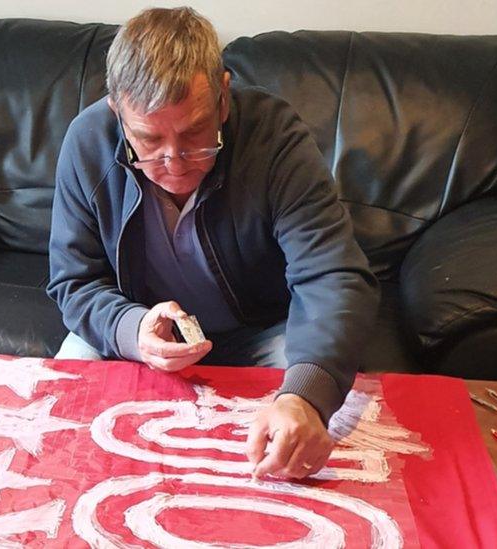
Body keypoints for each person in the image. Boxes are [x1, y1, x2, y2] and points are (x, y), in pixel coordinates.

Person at [47, 7, 379, 480]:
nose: (175, 164)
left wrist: (304, 397)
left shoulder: (275, 137)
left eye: (195, 135)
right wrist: (131, 328)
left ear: (223, 97)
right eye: (148, 140)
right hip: (136, 327)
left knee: (307, 443)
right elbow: (73, 282)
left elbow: (331, 274)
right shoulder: (86, 142)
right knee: (61, 436)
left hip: (262, 330)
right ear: (116, 112)